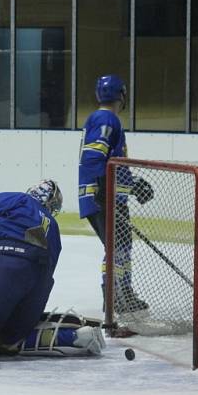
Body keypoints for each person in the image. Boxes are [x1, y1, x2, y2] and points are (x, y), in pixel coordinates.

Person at [0, 179, 105, 368]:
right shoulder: (53, 227)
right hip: (39, 287)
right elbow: (47, 270)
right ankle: (67, 336)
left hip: (7, 268)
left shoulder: (14, 199)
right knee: (9, 338)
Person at [77, 75, 153, 315]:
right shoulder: (105, 118)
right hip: (103, 197)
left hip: (109, 196)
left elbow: (113, 166)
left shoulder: (104, 118)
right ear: (122, 95)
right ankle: (113, 296)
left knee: (121, 246)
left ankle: (123, 293)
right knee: (116, 247)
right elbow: (93, 155)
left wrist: (134, 185)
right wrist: (102, 190)